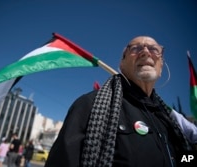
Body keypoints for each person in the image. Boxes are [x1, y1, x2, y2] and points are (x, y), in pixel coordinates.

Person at [45, 36, 195, 167]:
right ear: (122, 64)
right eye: (135, 48)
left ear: (161, 66)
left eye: (154, 49)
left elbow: (182, 159)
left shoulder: (170, 121)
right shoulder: (88, 105)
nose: (146, 52)